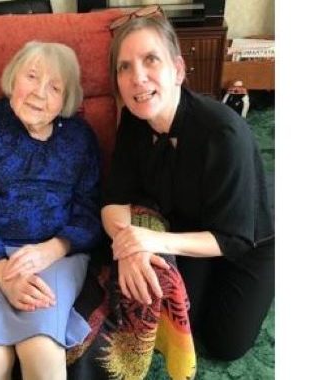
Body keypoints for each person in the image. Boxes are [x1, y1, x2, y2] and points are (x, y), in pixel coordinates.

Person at [102, 7, 275, 361]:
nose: (138, 77)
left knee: (225, 344)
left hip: (249, 235)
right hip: (192, 225)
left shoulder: (224, 133)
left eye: (151, 60)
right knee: (182, 321)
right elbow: (112, 199)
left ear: (178, 70)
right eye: (125, 67)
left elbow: (233, 237)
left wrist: (152, 240)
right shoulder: (134, 120)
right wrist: (129, 246)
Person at [0, 41, 102, 380]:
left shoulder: (80, 138)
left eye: (55, 87)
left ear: (66, 100)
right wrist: (1, 270)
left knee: (41, 352)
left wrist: (53, 249)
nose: (40, 93)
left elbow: (88, 213)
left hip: (55, 252)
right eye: (32, 76)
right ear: (14, 78)